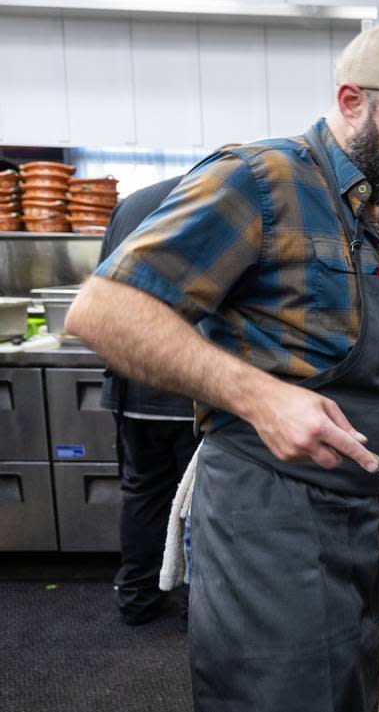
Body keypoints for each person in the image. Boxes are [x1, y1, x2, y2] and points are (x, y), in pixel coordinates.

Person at [67, 23, 379, 712]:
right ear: (349, 100)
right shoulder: (260, 181)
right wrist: (259, 397)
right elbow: (102, 312)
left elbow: (346, 359)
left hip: (362, 527)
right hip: (270, 530)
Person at [97, 175, 198, 626]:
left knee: (143, 491)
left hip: (134, 386)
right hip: (194, 388)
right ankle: (197, 609)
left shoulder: (131, 205)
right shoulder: (218, 201)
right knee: (199, 503)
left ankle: (136, 598)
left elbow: (102, 287)